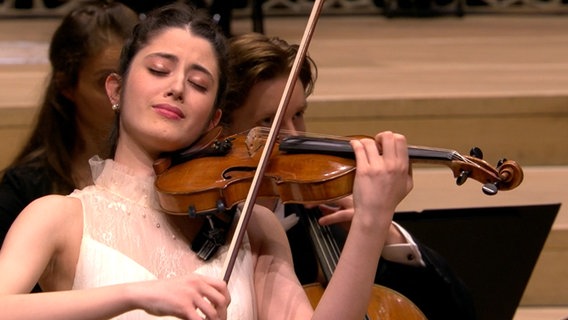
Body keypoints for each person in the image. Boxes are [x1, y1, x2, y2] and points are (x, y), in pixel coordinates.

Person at [0, 3, 413, 319]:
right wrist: (136, 295)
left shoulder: (251, 225)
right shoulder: (58, 217)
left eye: (199, 83)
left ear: (214, 119)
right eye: (159, 69)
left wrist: (371, 222)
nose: (177, 87)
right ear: (116, 89)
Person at [220, 32, 477, 320]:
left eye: (299, 114)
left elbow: (458, 313)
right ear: (223, 128)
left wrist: (386, 236)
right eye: (268, 122)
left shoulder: (326, 214)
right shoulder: (207, 227)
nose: (293, 136)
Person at [0, 1, 139, 247]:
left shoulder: (172, 176)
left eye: (135, 78)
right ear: (67, 87)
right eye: (105, 83)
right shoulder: (25, 189)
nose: (125, 96)